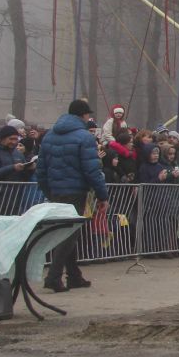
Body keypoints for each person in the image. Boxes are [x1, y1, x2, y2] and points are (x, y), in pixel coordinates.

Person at [34, 99, 108, 292]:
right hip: (76, 191)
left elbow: (41, 168)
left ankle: (74, 275)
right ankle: (53, 276)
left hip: (56, 190)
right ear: (83, 115)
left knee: (67, 232)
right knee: (69, 235)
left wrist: (48, 190)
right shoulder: (84, 137)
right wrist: (102, 195)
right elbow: (91, 169)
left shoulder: (49, 136)